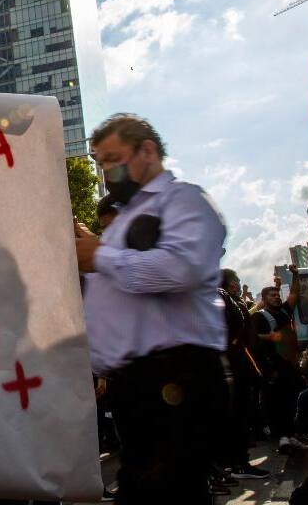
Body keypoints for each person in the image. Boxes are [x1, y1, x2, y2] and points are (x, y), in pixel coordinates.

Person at [77, 113, 227, 505]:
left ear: (147, 150)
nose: (107, 170)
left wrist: (101, 256)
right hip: (135, 383)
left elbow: (182, 268)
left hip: (176, 375)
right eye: (100, 162)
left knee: (169, 491)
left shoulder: (183, 199)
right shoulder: (123, 220)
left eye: (113, 158)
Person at [218, 270, 270, 479]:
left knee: (241, 413)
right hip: (230, 364)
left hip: (239, 362)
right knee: (235, 414)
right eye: (235, 282)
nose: (237, 285)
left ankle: (236, 461)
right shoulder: (219, 296)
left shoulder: (229, 298)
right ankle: (237, 463)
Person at [251, 266, 308, 453]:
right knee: (277, 402)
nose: (276, 297)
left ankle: (291, 435)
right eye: (272, 295)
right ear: (264, 299)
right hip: (273, 366)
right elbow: (252, 338)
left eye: (277, 294)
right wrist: (270, 337)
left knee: (293, 399)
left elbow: (294, 294)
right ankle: (283, 437)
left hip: (290, 364)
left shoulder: (284, 311)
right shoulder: (260, 317)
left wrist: (295, 275)